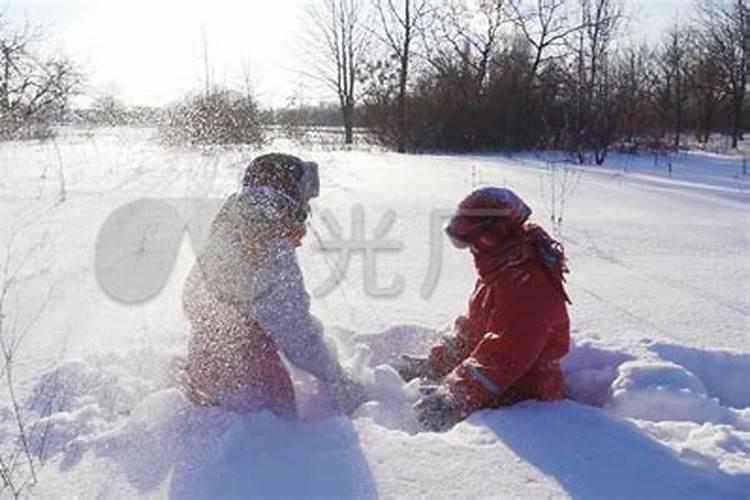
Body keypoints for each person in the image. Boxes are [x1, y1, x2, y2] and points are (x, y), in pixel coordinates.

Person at [182, 153, 365, 419]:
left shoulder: (234, 221)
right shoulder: (269, 242)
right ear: (289, 194)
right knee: (278, 421)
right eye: (305, 198)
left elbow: (196, 294)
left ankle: (198, 386)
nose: (307, 209)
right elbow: (295, 331)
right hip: (241, 369)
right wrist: (338, 378)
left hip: (209, 348)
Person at [396, 187, 571, 431]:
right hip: (494, 386)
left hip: (526, 399)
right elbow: (475, 331)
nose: (473, 250)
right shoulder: (501, 270)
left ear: (496, 236)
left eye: (478, 241)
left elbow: (504, 354)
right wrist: (437, 364)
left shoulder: (526, 283)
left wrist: (453, 396)